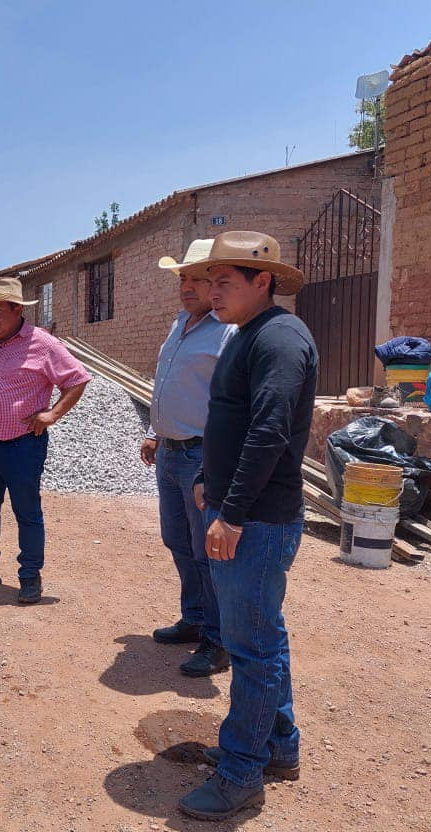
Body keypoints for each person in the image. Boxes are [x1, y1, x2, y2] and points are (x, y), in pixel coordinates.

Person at [172, 231, 318, 820]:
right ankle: (278, 746)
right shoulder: (246, 334)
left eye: (223, 282)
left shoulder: (279, 338)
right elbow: (226, 415)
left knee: (250, 648)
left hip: (256, 520)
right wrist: (209, 470)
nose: (211, 293)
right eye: (209, 283)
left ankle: (240, 775)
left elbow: (270, 430)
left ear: (264, 281)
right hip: (239, 508)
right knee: (264, 635)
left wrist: (231, 513)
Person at [0, 276, 90, 604]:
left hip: (22, 446)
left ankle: (30, 575)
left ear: (17, 310)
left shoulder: (42, 344)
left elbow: (77, 379)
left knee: (26, 511)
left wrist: (52, 415)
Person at [142, 239, 236, 677]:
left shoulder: (228, 332)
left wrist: (211, 463)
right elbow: (166, 384)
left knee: (206, 551)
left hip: (201, 456)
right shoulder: (180, 323)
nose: (187, 286)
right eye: (182, 278)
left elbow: (229, 406)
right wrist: (153, 433)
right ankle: (195, 618)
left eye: (197, 278)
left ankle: (217, 641)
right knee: (177, 542)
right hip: (169, 453)